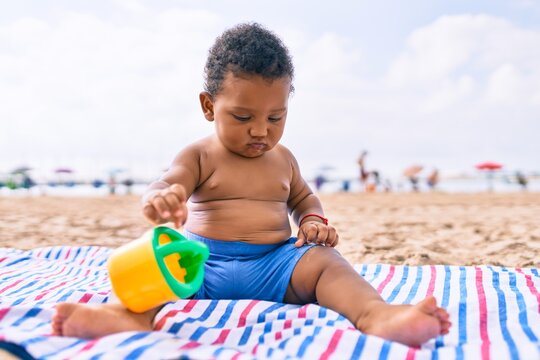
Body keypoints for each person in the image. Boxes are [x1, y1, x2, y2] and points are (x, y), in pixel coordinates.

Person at [51, 23, 450, 346]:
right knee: (152, 267)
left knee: (326, 263)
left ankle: (376, 315)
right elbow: (168, 181)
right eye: (243, 117)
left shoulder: (284, 159)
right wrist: (163, 197)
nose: (260, 130)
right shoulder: (199, 155)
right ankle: (127, 316)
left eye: (275, 118)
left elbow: (303, 198)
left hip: (274, 265)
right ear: (209, 106)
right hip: (199, 266)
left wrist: (312, 220)